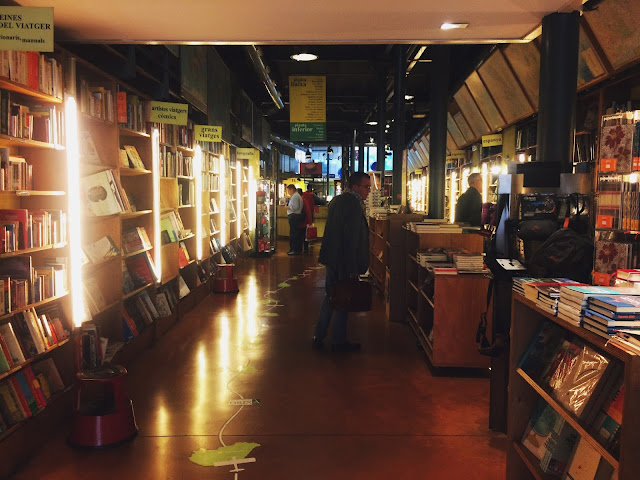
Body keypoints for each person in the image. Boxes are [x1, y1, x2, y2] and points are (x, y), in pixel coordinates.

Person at [312, 172, 371, 352]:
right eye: (366, 187)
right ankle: (338, 341)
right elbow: (351, 238)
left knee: (331, 295)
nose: (369, 191)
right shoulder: (353, 204)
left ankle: (319, 335)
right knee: (343, 298)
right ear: (355, 187)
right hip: (344, 260)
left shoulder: (338, 200)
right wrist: (353, 267)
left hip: (333, 257)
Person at [286, 184, 304, 255]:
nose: (288, 192)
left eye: (288, 190)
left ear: (292, 189)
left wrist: (288, 207)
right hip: (295, 216)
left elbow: (295, 207)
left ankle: (294, 249)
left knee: (294, 233)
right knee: (295, 233)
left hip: (294, 216)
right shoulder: (296, 196)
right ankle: (295, 249)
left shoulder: (295, 196)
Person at [301, 185, 315, 253]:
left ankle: (302, 247)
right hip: (309, 213)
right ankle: (306, 246)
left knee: (303, 231)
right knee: (308, 230)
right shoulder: (312, 195)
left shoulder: (303, 196)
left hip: (302, 216)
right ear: (310, 188)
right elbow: (320, 201)